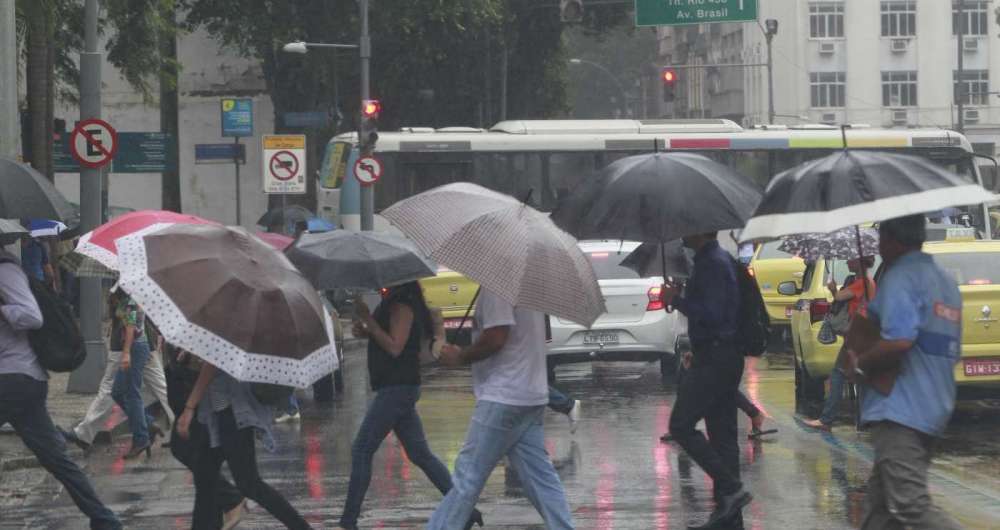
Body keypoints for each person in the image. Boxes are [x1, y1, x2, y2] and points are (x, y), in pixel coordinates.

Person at [850, 215, 963, 530]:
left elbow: (899, 339)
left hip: (900, 409)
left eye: (881, 236)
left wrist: (861, 361)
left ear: (891, 239)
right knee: (879, 508)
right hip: (933, 406)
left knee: (910, 505)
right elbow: (951, 351)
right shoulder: (945, 282)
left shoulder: (900, 278)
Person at [428, 287, 574, 530]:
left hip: (504, 395)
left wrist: (461, 356)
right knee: (541, 481)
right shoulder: (526, 288)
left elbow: (497, 336)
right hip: (530, 394)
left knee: (468, 478)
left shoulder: (498, 287)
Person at [340, 282, 481, 530]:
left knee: (362, 449)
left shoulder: (402, 304)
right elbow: (388, 338)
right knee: (420, 455)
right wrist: (367, 330)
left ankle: (348, 522)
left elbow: (396, 347)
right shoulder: (394, 301)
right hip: (397, 387)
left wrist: (369, 322)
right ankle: (466, 511)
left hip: (397, 388)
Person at [0, 248, 122, 529]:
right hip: (22, 380)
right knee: (57, 459)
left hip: (15, 378)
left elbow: (32, 317)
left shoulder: (5, 271)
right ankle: (105, 520)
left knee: (57, 458)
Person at [661, 232, 752, 529]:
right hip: (718, 355)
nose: (683, 231)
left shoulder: (712, 263)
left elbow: (712, 315)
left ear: (703, 229)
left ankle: (731, 488)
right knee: (723, 438)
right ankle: (730, 518)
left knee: (681, 425)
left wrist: (678, 301)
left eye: (689, 226)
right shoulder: (714, 260)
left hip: (717, 359)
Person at [178, 359, 312, 530]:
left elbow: (211, 367)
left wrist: (189, 407)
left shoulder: (224, 334)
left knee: (249, 484)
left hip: (232, 416)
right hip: (216, 416)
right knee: (205, 475)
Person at [62, 301, 173, 452]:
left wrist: (126, 352)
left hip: (128, 347)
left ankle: (84, 434)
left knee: (116, 391)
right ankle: (154, 426)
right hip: (141, 344)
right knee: (152, 389)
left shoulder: (127, 292)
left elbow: (130, 319)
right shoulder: (132, 290)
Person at [164, 343, 246, 530]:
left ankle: (231, 498)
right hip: (197, 385)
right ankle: (229, 499)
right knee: (202, 468)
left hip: (207, 395)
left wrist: (190, 407)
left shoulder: (219, 322)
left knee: (194, 456)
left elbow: (212, 362)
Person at [804, 256, 876, 431]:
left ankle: (827, 420)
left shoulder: (863, 283)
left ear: (860, 262)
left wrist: (832, 288)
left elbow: (839, 296)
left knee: (838, 374)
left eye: (850, 260)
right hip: (862, 333)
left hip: (857, 334)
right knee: (859, 377)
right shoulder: (865, 282)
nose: (847, 262)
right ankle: (867, 419)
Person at [108, 288, 161, 458]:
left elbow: (131, 326)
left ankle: (141, 438)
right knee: (118, 392)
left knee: (132, 394)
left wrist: (126, 352)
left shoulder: (132, 299)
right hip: (136, 346)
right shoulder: (127, 297)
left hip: (135, 347)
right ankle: (148, 423)